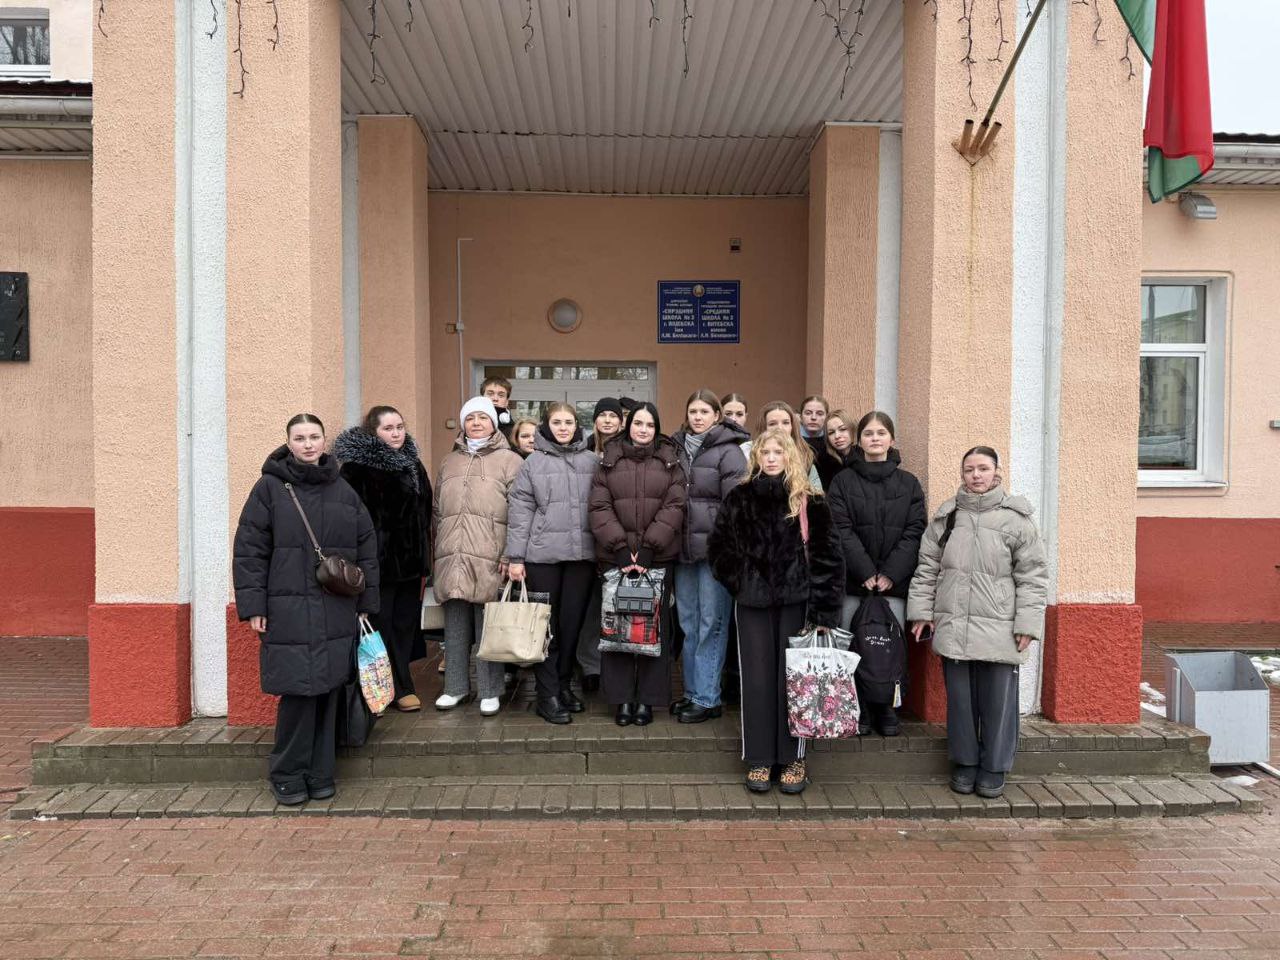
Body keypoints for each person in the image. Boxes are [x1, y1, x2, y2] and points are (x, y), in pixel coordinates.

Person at [233, 414, 379, 806]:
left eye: (314, 437)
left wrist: (366, 603)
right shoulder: (269, 488)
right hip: (287, 608)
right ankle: (287, 773)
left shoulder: (342, 489)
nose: (308, 444)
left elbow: (366, 547)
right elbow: (249, 550)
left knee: (329, 689)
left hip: (336, 607)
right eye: (300, 438)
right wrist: (253, 605)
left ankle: (320, 771)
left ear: (324, 440)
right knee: (299, 692)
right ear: (288, 443)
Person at [708, 429, 844, 795]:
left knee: (793, 680)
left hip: (796, 604)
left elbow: (829, 558)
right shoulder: (739, 498)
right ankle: (759, 757)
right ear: (756, 457)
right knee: (756, 681)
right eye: (764, 452)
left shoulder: (809, 499)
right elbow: (719, 549)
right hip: (751, 604)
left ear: (790, 457)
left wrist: (824, 613)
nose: (771, 458)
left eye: (778, 452)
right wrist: (742, 581)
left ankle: (793, 758)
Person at [907, 446, 1048, 799]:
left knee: (998, 702)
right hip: (954, 622)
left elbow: (1032, 575)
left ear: (996, 472)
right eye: (969, 469)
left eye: (983, 468)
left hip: (1000, 624)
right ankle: (966, 762)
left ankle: (994, 766)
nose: (976, 475)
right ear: (962, 473)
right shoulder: (948, 517)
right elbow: (927, 567)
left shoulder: (1016, 520)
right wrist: (922, 612)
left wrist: (1028, 624)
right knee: (961, 701)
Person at [826, 411, 926, 736]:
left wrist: (890, 573)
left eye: (881, 433)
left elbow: (915, 530)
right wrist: (865, 570)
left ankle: (886, 708)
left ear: (891, 439)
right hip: (854, 582)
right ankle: (859, 708)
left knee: (888, 648)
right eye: (868, 433)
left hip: (892, 585)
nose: (874, 438)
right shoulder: (843, 481)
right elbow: (839, 527)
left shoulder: (909, 483)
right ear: (860, 440)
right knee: (852, 646)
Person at [588, 402, 686, 726]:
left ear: (656, 428)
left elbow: (675, 505)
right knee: (616, 628)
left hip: (656, 558)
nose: (643, 429)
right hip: (615, 558)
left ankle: (647, 699)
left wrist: (648, 549)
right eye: (638, 423)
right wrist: (619, 547)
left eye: (649, 424)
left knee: (653, 629)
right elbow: (599, 506)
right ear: (628, 426)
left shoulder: (670, 460)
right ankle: (621, 700)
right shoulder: (609, 459)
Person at [506, 402, 599, 724]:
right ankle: (546, 695)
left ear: (577, 426)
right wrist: (515, 557)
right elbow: (520, 512)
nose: (563, 428)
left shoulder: (592, 461)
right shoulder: (533, 462)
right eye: (557, 422)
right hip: (542, 557)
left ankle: (563, 686)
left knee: (571, 626)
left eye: (568, 422)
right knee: (546, 627)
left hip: (581, 558)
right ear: (547, 426)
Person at [335, 406, 432, 712]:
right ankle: (383, 689)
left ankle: (401, 684)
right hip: (377, 565)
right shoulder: (356, 469)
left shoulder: (412, 463)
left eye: (399, 427)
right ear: (373, 432)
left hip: (410, 565)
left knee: (405, 626)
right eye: (388, 428)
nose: (396, 433)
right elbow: (349, 520)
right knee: (379, 626)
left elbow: (425, 510)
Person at [432, 397, 524, 715]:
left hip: (490, 555)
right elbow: (436, 509)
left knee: (488, 626)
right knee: (455, 625)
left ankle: (490, 690)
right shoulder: (449, 461)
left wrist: (511, 553)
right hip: (452, 554)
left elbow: (520, 511)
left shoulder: (510, 460)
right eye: (469, 418)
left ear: (493, 423)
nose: (475, 423)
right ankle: (455, 687)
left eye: (482, 418)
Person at [670, 389, 748, 723]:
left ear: (717, 415)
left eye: (704, 411)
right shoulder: (676, 448)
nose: (698, 417)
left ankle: (707, 697)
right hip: (683, 550)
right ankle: (692, 693)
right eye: (693, 411)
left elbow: (737, 506)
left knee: (711, 625)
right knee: (688, 623)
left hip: (715, 553)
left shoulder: (729, 451)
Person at [578, 397, 627, 693]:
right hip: (585, 537)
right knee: (589, 607)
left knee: (613, 605)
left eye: (613, 415)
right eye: (602, 415)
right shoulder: (582, 450)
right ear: (595, 420)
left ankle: (614, 666)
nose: (607, 420)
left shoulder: (627, 449)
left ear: (621, 421)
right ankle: (589, 666)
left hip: (616, 537)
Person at [743, 401, 824, 493]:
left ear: (792, 427)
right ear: (764, 427)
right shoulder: (748, 453)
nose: (780, 428)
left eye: (785, 423)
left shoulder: (805, 456)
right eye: (772, 424)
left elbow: (817, 496)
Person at [819, 408, 858, 489]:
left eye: (843, 429)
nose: (837, 436)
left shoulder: (866, 457)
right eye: (831, 432)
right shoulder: (824, 462)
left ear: (853, 429)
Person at [799, 395, 830, 469]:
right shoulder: (792, 440)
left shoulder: (832, 440)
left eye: (819, 414)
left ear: (827, 417)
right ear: (801, 417)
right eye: (808, 413)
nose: (813, 417)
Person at [481, 376, 516, 441]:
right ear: (482, 398)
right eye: (490, 394)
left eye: (501, 395)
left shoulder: (514, 432)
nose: (495, 399)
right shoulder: (472, 425)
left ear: (507, 402)